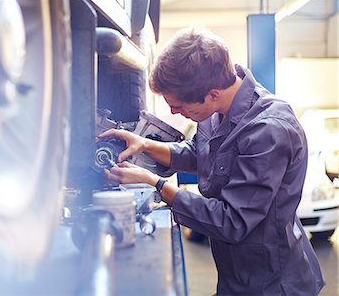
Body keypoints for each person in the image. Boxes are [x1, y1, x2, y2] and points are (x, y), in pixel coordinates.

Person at [98, 26, 324, 295]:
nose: (174, 112)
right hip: (236, 274)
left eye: (180, 107)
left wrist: (156, 184)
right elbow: (199, 154)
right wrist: (145, 144)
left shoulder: (268, 131)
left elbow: (232, 222)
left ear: (213, 93)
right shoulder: (217, 110)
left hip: (272, 283)